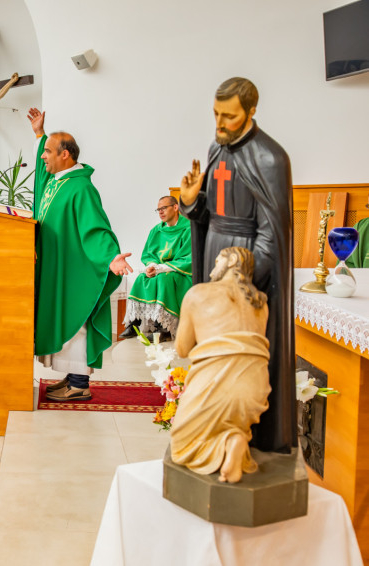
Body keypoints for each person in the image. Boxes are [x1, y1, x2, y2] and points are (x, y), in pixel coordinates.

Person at [178, 77, 294, 453]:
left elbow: (271, 235)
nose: (219, 123)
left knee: (237, 348)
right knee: (212, 346)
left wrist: (239, 282)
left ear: (251, 111)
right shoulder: (217, 148)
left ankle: (240, 434)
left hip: (245, 264)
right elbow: (209, 214)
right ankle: (212, 426)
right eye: (216, 114)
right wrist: (191, 202)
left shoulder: (270, 158)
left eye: (229, 116)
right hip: (215, 251)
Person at [26, 107, 132, 402]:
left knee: (76, 321)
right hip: (57, 267)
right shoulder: (56, 182)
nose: (43, 157)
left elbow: (94, 227)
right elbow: (40, 180)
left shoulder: (81, 188)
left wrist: (111, 257)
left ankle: (79, 383)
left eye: (48, 152)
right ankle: (71, 378)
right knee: (64, 321)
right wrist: (40, 135)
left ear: (65, 155)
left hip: (75, 270)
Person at [170, 247, 271, 484]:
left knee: (181, 445)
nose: (212, 269)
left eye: (217, 261)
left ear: (232, 260)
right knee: (230, 422)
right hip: (255, 384)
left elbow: (182, 349)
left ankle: (228, 443)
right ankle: (233, 440)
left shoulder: (198, 293)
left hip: (216, 378)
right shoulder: (261, 302)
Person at [120, 196, 192, 342]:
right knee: (142, 278)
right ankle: (134, 324)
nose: (160, 212)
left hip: (179, 272)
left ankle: (164, 329)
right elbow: (149, 254)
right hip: (159, 270)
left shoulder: (188, 229)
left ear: (175, 207)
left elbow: (188, 258)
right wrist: (152, 266)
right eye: (158, 209)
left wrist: (161, 268)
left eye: (163, 208)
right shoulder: (156, 231)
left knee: (164, 279)